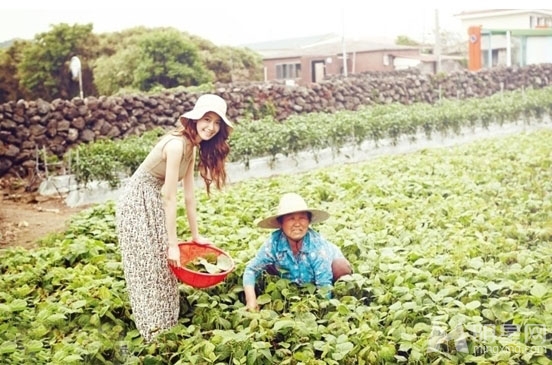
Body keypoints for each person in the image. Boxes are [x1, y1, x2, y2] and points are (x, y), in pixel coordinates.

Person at [115, 94, 233, 342]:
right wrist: (173, 245)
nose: (210, 127)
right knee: (149, 264)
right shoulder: (177, 145)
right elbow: (170, 196)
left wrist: (195, 235)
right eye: (206, 119)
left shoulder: (191, 147)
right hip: (136, 201)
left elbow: (188, 196)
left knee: (163, 265)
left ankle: (166, 325)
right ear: (195, 119)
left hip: (151, 200)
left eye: (216, 123)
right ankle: (152, 331)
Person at [242, 192, 352, 311]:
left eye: (302, 218)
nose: (297, 224)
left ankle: (343, 297)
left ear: (309, 221)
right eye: (291, 218)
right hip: (291, 282)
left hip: (324, 274)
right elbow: (251, 270)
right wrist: (251, 301)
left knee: (341, 267)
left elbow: (324, 285)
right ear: (281, 223)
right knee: (266, 268)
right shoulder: (274, 242)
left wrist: (320, 309)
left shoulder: (317, 245)